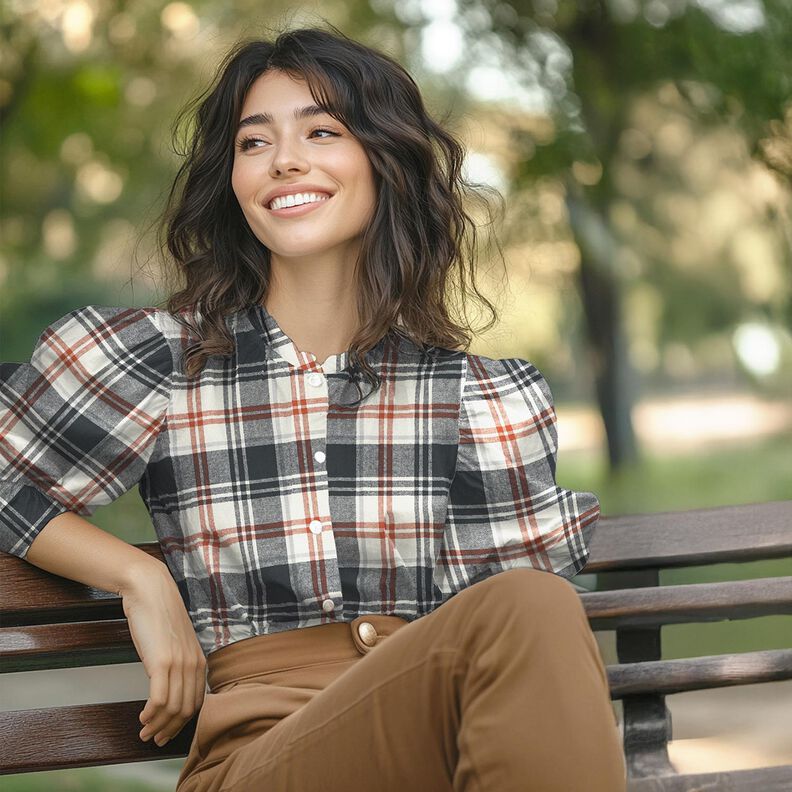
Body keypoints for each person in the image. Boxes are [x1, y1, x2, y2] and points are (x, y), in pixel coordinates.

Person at [0, 24, 627, 792]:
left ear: (383, 162)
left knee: (530, 606)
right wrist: (139, 577)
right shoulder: (166, 359)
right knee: (529, 606)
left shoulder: (477, 398)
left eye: (322, 131)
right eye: (254, 143)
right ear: (232, 181)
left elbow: (511, 661)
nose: (285, 160)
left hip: (428, 750)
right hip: (260, 757)